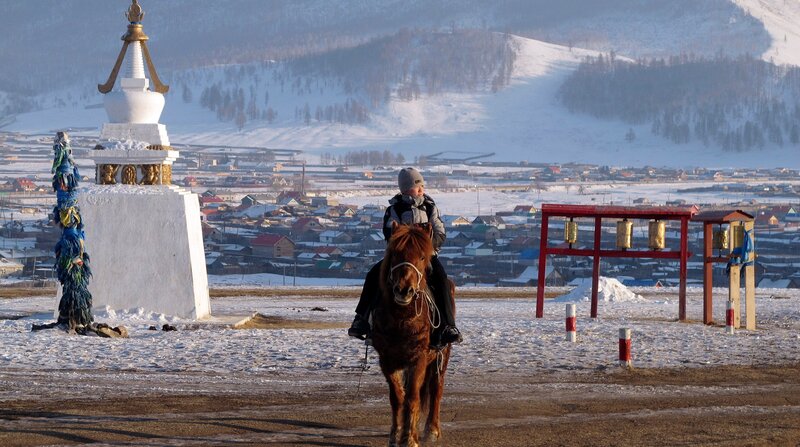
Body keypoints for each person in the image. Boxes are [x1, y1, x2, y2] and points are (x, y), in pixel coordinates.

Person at [348, 167, 463, 347]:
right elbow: (389, 232)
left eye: (422, 186)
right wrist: (404, 240)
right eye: (418, 187)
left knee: (441, 279)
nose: (421, 190)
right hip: (399, 258)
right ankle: (362, 319)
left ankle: (448, 325)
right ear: (406, 189)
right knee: (373, 275)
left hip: (425, 257)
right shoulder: (394, 209)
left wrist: (424, 246)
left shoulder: (430, 207)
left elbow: (440, 231)